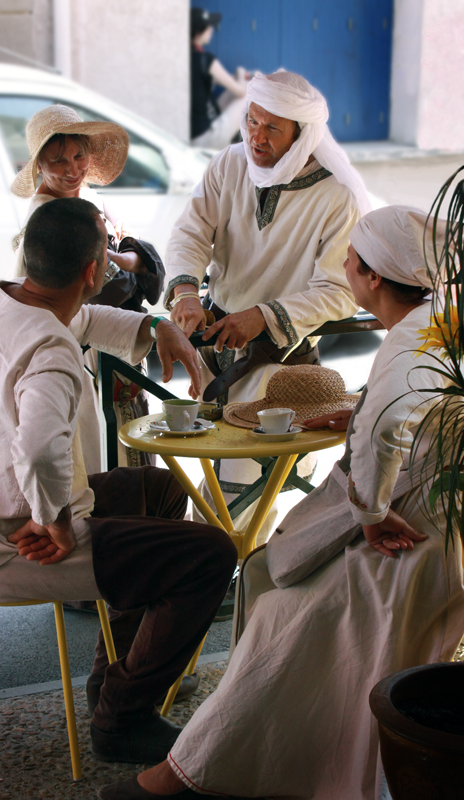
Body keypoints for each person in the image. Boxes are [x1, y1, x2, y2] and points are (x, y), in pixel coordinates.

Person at [100, 206, 464, 800]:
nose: (342, 265)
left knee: (278, 610)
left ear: (373, 278)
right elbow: (410, 413)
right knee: (268, 575)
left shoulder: (410, 344)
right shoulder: (439, 320)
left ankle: (194, 774)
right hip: (438, 532)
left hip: (407, 544)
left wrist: (370, 516)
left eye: (349, 259)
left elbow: (388, 427)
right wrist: (362, 409)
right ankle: (254, 762)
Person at [0, 198, 238, 764]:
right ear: (94, 272)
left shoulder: (6, 303)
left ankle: (112, 681)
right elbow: (40, 449)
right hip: (9, 542)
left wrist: (156, 323)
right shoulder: (49, 349)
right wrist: (59, 523)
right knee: (212, 555)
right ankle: (122, 719)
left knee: (166, 493)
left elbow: (85, 318)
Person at [166, 68, 371, 542]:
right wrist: (186, 293)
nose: (256, 137)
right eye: (252, 121)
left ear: (301, 136)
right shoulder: (228, 165)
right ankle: (219, 572)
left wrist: (263, 316)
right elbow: (191, 233)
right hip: (215, 349)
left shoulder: (336, 197)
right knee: (211, 469)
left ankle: (220, 574)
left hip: (278, 362)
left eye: (272, 128)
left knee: (242, 482)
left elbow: (340, 290)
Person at [12, 103, 165, 472]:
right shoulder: (44, 218)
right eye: (58, 162)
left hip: (116, 343)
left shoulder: (87, 200)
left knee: (129, 442)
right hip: (82, 349)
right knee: (99, 449)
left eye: (79, 156)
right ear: (40, 168)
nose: (72, 170)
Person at [190, 7, 250, 149]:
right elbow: (240, 91)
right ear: (199, 33)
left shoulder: (189, 57)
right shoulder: (206, 60)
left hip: (194, 133)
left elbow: (225, 80)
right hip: (207, 138)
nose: (212, 29)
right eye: (208, 26)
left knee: (232, 90)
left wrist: (236, 77)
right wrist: (241, 72)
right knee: (249, 92)